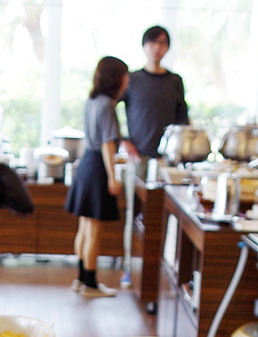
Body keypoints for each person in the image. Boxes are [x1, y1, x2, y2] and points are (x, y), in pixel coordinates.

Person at [65, 56, 129, 298]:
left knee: (84, 227)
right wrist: (113, 177)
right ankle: (90, 284)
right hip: (97, 168)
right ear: (116, 78)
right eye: (124, 76)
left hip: (86, 164)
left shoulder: (92, 101)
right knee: (93, 230)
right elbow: (107, 145)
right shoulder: (107, 105)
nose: (127, 81)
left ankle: (82, 279)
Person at [120, 26, 189, 161]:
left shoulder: (175, 80)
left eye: (162, 43)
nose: (157, 47)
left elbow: (183, 118)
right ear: (144, 45)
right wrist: (122, 140)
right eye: (152, 42)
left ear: (168, 47)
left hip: (168, 156)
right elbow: (110, 109)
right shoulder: (132, 79)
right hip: (137, 155)